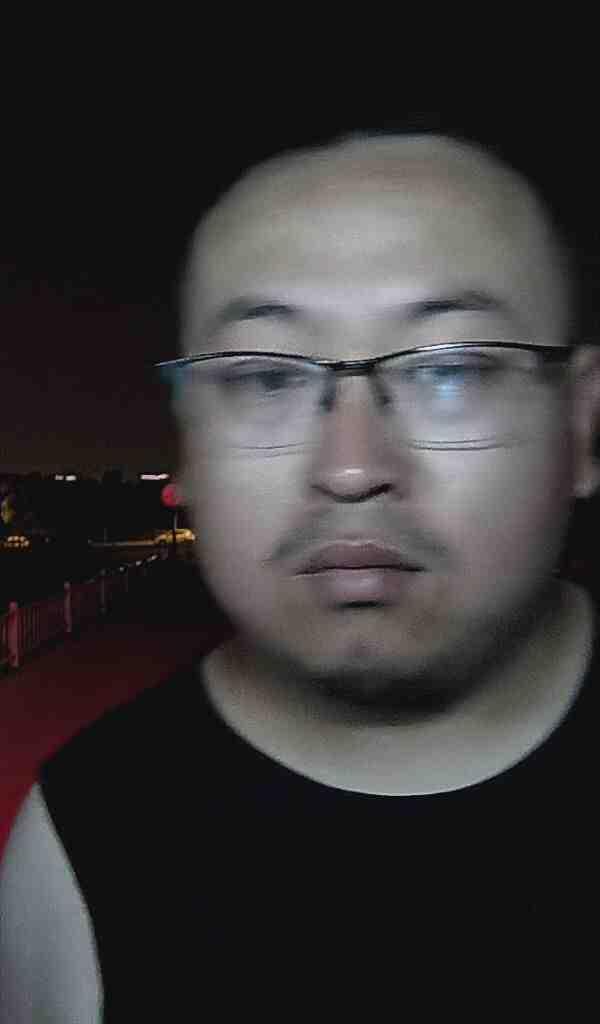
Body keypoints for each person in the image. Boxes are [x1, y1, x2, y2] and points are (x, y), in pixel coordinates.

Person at [1, 130, 599, 1021]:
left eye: (451, 369)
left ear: (582, 424)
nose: (351, 467)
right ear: (186, 446)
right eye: (264, 380)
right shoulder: (81, 842)